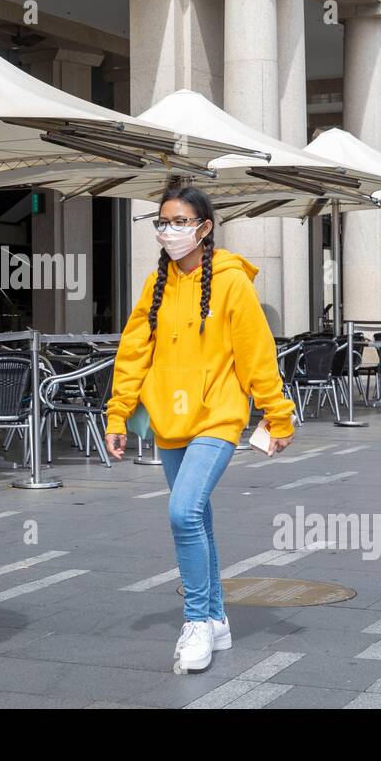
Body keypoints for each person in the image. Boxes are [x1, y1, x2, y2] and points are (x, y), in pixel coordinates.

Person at [104, 184, 296, 675]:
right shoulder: (155, 285)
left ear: (204, 227)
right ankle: (215, 617)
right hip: (169, 418)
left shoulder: (233, 283)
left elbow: (257, 356)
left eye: (180, 222)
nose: (170, 231)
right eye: (163, 222)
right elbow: (132, 354)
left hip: (218, 416)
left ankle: (195, 621)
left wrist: (278, 415)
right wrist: (118, 413)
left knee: (182, 512)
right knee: (199, 518)